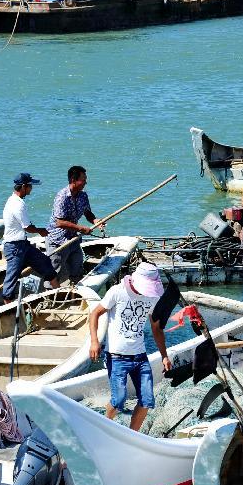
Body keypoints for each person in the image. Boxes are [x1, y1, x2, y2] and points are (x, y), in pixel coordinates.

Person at [88, 262, 171, 432]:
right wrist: (95, 341)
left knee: (147, 400)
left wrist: (164, 355)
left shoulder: (152, 298)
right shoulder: (117, 292)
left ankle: (133, 435)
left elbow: (156, 328)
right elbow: (94, 314)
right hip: (117, 356)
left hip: (140, 356)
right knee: (118, 400)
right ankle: (103, 430)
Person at [2, 173, 60, 303]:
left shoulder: (14, 201)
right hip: (14, 248)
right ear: (23, 187)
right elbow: (27, 227)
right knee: (11, 280)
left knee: (45, 263)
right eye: (30, 186)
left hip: (24, 245)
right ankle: (8, 310)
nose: (31, 189)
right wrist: (41, 231)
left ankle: (59, 296)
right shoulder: (17, 204)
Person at [46, 165, 103, 285]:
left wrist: (95, 221)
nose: (85, 182)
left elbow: (87, 213)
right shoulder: (62, 197)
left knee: (77, 269)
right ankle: (50, 298)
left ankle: (74, 291)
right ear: (73, 180)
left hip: (73, 239)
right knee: (54, 273)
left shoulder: (83, 195)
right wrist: (81, 228)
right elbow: (59, 222)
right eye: (83, 179)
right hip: (58, 241)